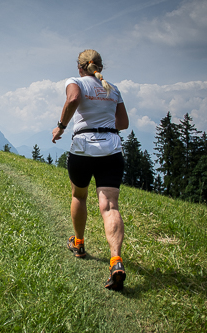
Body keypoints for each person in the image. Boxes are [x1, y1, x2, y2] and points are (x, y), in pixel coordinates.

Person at [52, 49, 129, 291]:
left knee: (79, 195)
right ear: (100, 67)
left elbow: (73, 99)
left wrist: (61, 127)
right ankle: (116, 261)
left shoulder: (75, 82)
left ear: (80, 68)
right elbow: (123, 124)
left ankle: (79, 243)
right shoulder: (113, 89)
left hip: (84, 149)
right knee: (110, 206)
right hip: (112, 151)